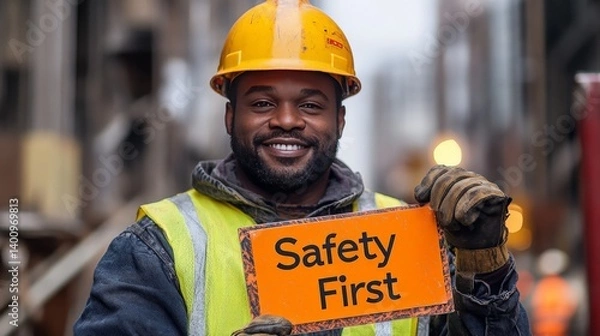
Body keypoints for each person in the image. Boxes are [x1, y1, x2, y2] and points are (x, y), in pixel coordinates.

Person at [74, 0, 531, 335]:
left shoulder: (409, 239)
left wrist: (483, 267)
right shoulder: (158, 247)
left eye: (310, 104)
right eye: (263, 102)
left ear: (339, 119)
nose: (287, 120)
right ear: (230, 116)